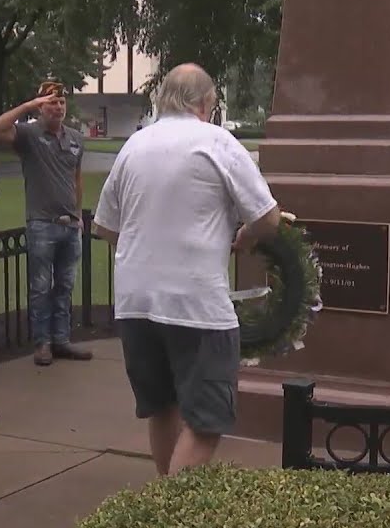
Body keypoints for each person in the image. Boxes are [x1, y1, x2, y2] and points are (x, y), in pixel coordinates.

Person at [92, 64, 280, 476]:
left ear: (163, 100)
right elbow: (268, 218)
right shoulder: (217, 142)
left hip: (135, 302)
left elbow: (105, 226)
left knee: (161, 408)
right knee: (207, 421)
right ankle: (169, 517)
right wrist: (245, 237)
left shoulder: (134, 146)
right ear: (207, 103)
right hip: (196, 304)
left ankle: (165, 506)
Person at [0, 78, 93, 366]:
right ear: (40, 107)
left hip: (70, 226)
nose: (57, 107)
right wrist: (28, 106)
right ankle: (42, 344)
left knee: (65, 288)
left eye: (60, 102)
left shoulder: (75, 139)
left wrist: (79, 215)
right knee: (40, 287)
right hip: (42, 225)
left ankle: (61, 340)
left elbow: (77, 178)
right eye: (50, 103)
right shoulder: (28, 135)